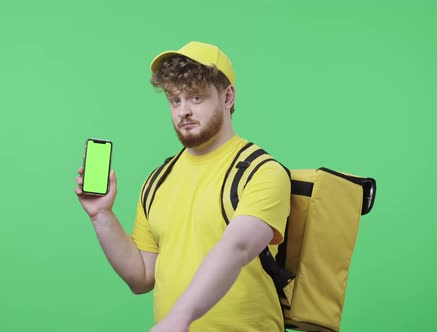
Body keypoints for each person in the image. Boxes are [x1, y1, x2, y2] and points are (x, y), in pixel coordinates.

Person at [75, 41, 291, 332]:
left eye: (196, 98)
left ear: (227, 97)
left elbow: (237, 247)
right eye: (175, 100)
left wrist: (180, 317)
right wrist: (101, 215)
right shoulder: (158, 180)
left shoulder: (262, 172)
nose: (183, 111)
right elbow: (141, 277)